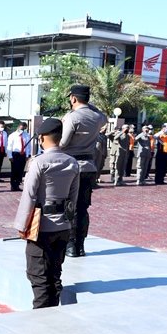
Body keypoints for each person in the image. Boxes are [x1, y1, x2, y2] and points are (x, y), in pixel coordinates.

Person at [14, 118, 79, 309]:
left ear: (41, 138)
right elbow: (73, 199)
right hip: (63, 226)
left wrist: (21, 225)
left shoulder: (39, 162)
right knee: (55, 274)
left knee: (38, 276)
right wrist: (67, 222)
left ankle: (40, 321)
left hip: (41, 227)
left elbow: (29, 196)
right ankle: (53, 315)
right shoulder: (72, 162)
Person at [59, 85, 107, 257]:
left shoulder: (72, 117)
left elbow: (63, 143)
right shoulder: (97, 116)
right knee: (83, 207)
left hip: (71, 167)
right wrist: (88, 105)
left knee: (70, 206)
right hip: (89, 166)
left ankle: (70, 246)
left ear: (73, 98)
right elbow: (104, 117)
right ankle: (80, 245)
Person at [7, 121, 31, 192]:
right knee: (14, 170)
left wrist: (27, 155)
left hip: (23, 154)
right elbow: (9, 146)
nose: (22, 130)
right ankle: (13, 185)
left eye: (24, 129)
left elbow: (28, 146)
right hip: (15, 154)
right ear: (18, 127)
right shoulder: (12, 135)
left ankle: (17, 184)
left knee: (20, 170)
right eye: (21, 128)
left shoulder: (26, 135)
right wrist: (10, 156)